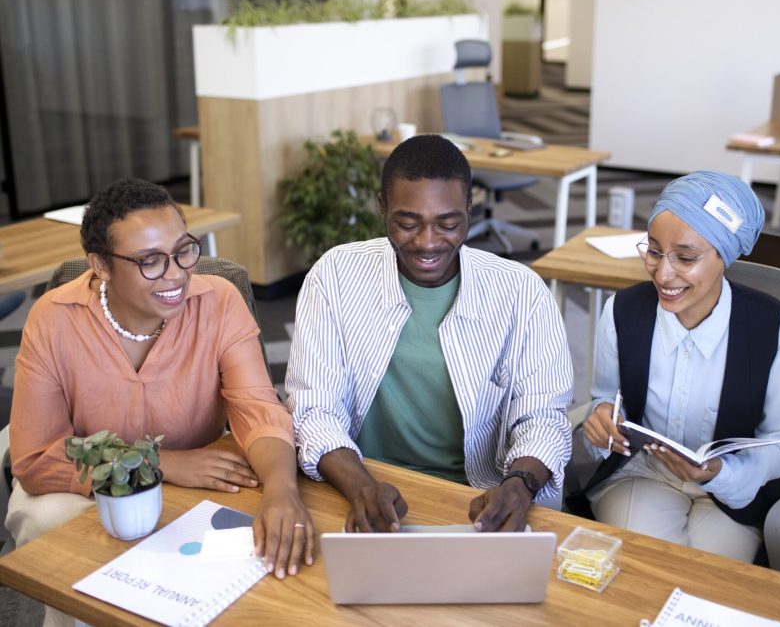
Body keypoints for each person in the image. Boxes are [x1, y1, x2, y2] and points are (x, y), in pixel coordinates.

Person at [9, 179, 314, 590]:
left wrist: (282, 490)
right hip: (88, 483)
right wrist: (160, 463)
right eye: (150, 260)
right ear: (100, 265)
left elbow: (257, 408)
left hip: (194, 466)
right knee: (73, 538)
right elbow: (36, 459)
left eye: (183, 251)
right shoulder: (54, 319)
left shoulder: (219, 301)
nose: (176, 276)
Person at [286, 134, 573, 532]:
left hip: (476, 497)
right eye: (407, 223)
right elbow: (313, 409)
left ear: (469, 211)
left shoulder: (521, 292)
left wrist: (519, 485)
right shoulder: (334, 276)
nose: (427, 243)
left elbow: (543, 416)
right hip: (360, 482)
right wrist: (361, 486)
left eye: (449, 224)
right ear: (382, 207)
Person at [580, 170, 780, 562]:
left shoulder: (778, 331)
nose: (663, 273)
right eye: (653, 251)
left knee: (707, 580)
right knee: (642, 566)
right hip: (642, 474)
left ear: (725, 257)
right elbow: (606, 398)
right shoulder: (621, 312)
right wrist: (600, 417)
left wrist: (719, 473)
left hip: (734, 491)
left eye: (685, 258)